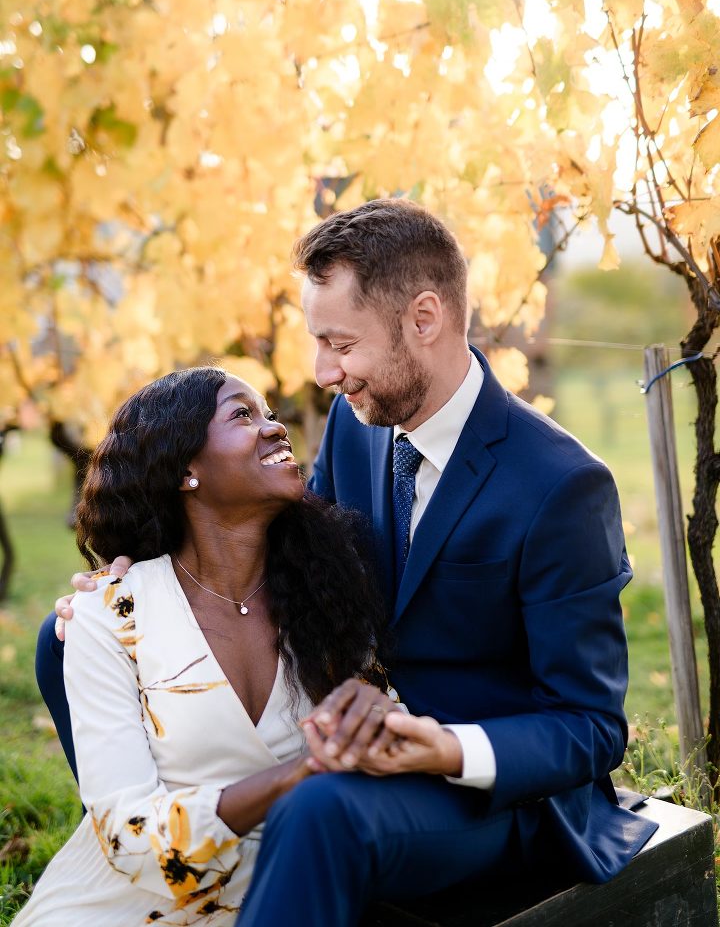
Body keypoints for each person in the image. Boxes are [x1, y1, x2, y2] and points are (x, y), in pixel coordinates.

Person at [40, 199, 657, 926]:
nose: (323, 371)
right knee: (62, 646)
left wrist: (444, 748)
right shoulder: (359, 423)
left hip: (491, 791)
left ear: (422, 319)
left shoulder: (560, 485)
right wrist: (128, 589)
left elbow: (590, 725)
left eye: (339, 343)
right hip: (354, 738)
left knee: (321, 806)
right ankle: (172, 865)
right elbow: (289, 541)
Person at [16, 366, 393, 926]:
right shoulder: (106, 617)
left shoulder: (328, 598)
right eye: (243, 414)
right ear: (185, 467)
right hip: (132, 902)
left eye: (269, 413)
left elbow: (381, 727)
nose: (274, 428)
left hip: (289, 891)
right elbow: (126, 836)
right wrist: (300, 774)